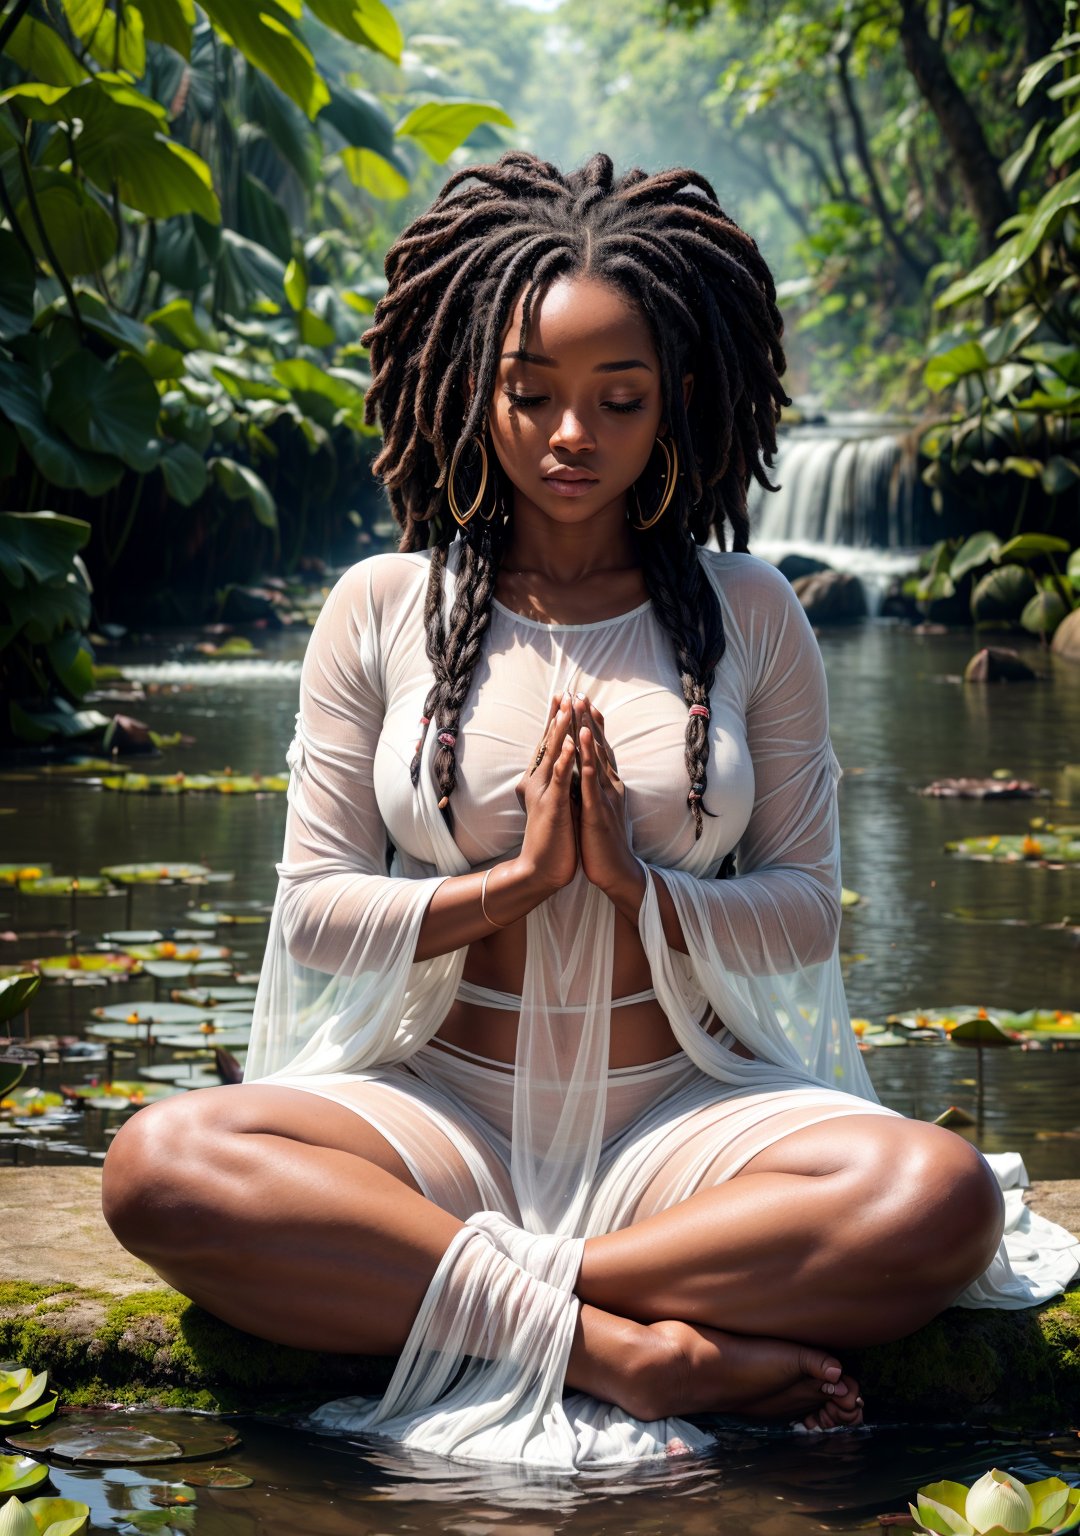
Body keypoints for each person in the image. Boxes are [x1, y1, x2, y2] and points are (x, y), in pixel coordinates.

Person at [100, 150, 1079, 1471]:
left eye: (620, 399)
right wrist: (504, 889)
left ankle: (502, 1297)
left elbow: (802, 912)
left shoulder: (752, 616)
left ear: (679, 400)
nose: (575, 436)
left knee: (939, 1196)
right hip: (433, 1108)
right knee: (158, 1167)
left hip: (684, 1115)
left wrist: (638, 884)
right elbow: (316, 913)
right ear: (468, 387)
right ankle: (623, 1344)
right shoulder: (383, 608)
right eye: (533, 393)